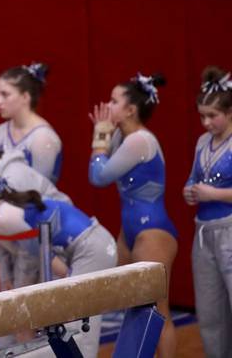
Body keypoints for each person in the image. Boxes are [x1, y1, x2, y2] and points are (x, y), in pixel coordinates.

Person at [0, 169, 117, 358]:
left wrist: (22, 298)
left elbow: (41, 258)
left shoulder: (4, 217)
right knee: (76, 332)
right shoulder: (5, 209)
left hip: (92, 248)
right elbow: (47, 257)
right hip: (93, 244)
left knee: (79, 335)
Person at [88, 72, 177, 358]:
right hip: (129, 232)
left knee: (158, 310)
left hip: (153, 232)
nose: (108, 105)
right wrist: (105, 133)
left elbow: (98, 176)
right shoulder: (122, 137)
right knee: (125, 301)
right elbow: (101, 168)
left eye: (114, 101)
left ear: (130, 109)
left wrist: (99, 137)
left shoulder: (139, 140)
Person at [183, 66, 232, 358]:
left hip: (229, 229)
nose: (206, 123)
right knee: (210, 313)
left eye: (212, 116)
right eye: (202, 115)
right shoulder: (203, 141)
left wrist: (213, 194)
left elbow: (211, 188)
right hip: (203, 233)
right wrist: (189, 191)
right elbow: (193, 177)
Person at [0, 63, 63, 183]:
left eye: (5, 95)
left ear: (25, 97)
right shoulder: (0, 132)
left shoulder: (42, 139)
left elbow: (39, 190)